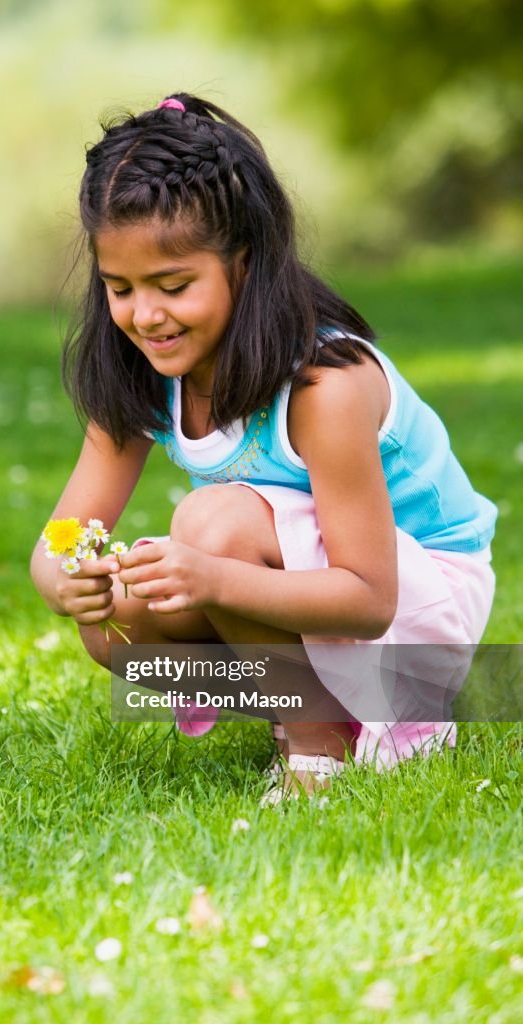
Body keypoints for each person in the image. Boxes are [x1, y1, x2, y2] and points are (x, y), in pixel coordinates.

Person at [30, 92, 497, 801]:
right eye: (118, 288)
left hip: (414, 608)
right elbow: (62, 535)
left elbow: (371, 599)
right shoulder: (145, 373)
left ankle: (322, 746)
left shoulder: (323, 386)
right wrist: (67, 579)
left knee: (208, 524)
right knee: (116, 615)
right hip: (310, 589)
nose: (145, 315)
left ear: (243, 263)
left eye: (173, 285)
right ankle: (310, 707)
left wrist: (212, 579)